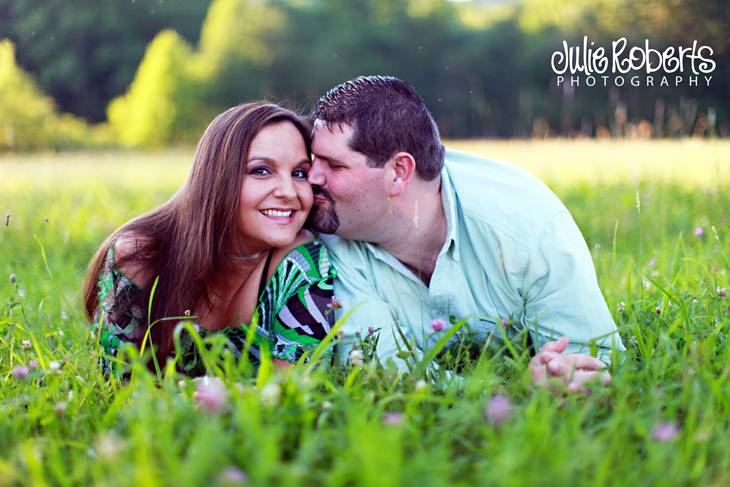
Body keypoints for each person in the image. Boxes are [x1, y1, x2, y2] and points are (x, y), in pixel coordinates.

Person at [306, 75, 625, 391]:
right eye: (313, 160)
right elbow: (385, 372)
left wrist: (558, 375)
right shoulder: (331, 231)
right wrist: (514, 393)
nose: (311, 178)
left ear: (399, 172)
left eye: (334, 166)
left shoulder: (522, 220)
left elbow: (592, 354)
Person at [83, 102, 337, 378]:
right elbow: (117, 385)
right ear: (217, 177)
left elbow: (292, 389)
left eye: (299, 173)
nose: (289, 191)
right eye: (261, 171)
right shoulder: (139, 258)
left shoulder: (299, 263)